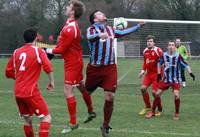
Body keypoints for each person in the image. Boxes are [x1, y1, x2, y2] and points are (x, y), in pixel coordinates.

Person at [86, 10, 145, 137]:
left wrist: (138, 26)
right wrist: (99, 35)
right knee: (86, 93)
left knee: (110, 97)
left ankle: (105, 126)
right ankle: (89, 110)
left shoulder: (111, 30)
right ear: (95, 19)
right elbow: (90, 37)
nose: (103, 14)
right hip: (94, 70)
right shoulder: (91, 29)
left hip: (110, 68)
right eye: (100, 14)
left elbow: (123, 32)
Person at [45, 0, 95, 133]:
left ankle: (73, 123)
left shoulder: (71, 28)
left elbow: (61, 50)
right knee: (81, 87)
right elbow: (62, 45)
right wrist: (52, 47)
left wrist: (46, 50)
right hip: (73, 61)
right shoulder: (69, 25)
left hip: (73, 64)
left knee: (68, 91)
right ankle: (91, 111)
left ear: (73, 11)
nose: (66, 8)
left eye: (69, 6)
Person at [5, 28, 54, 137]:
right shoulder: (38, 50)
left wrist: (20, 78)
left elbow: (8, 72)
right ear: (36, 38)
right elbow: (48, 67)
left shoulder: (16, 52)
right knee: (46, 118)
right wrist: (51, 82)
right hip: (30, 92)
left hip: (18, 92)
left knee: (28, 120)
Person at [145, 41, 195, 120]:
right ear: (167, 47)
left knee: (176, 95)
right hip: (165, 79)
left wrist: (191, 73)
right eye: (169, 45)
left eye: (172, 45)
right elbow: (159, 63)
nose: (171, 47)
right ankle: (152, 111)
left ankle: (176, 113)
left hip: (175, 80)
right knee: (157, 94)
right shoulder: (163, 55)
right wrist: (158, 74)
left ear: (175, 47)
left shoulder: (178, 56)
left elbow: (186, 64)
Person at [138, 35, 163, 116]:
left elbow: (164, 59)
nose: (149, 43)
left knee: (155, 93)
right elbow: (145, 62)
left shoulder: (158, 50)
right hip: (148, 74)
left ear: (154, 43)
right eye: (148, 41)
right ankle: (148, 106)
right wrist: (142, 71)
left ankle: (159, 109)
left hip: (157, 74)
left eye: (151, 41)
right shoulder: (145, 51)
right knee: (143, 88)